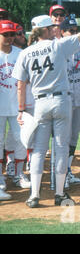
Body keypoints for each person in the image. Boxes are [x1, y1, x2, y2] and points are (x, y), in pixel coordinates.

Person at [12, 4, 80, 208]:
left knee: (39, 151)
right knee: (60, 148)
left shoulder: (25, 52)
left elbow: (20, 85)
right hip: (61, 101)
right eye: (51, 27)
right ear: (45, 30)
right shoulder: (58, 45)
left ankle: (34, 195)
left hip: (39, 103)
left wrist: (22, 110)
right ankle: (59, 194)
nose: (54, 28)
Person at [0, 20, 31, 195]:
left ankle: (19, 174)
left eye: (12, 34)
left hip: (17, 106)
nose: (10, 38)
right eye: (6, 34)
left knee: (22, 139)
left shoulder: (21, 53)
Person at [60, 16, 80, 188]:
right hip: (62, 98)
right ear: (62, 32)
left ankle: (68, 169)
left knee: (73, 136)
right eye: (70, 30)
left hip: (78, 98)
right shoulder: (57, 49)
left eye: (75, 30)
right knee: (61, 137)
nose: (73, 33)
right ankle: (60, 172)